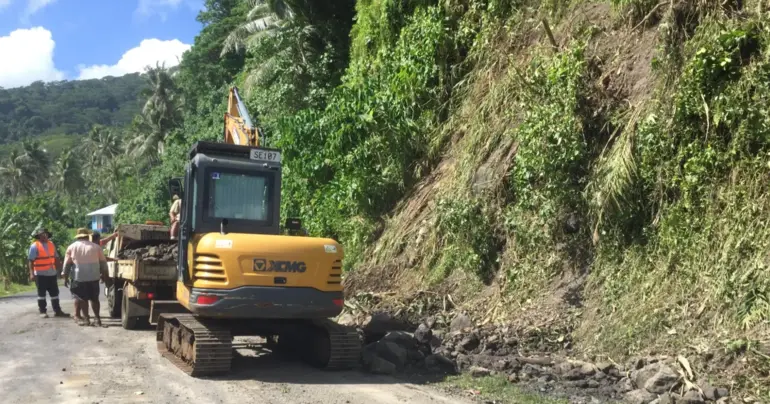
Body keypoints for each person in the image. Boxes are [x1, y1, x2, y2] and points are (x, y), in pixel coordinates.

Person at [63, 228, 108, 327]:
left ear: (78, 236)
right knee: (94, 299)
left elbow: (67, 265)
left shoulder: (71, 247)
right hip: (94, 277)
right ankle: (97, 319)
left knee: (83, 299)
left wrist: (65, 278)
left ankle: (86, 319)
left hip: (79, 277)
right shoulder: (96, 247)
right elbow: (103, 264)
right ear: (88, 236)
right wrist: (104, 276)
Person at [28, 227, 68, 319]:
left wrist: (61, 270)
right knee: (41, 294)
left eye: (45, 234)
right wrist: (31, 273)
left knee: (54, 293)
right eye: (41, 235)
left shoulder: (51, 244)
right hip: (40, 274)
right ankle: (42, 311)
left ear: (47, 235)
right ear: (38, 236)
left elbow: (56, 257)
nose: (44, 236)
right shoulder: (35, 246)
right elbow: (30, 260)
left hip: (52, 273)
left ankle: (57, 311)